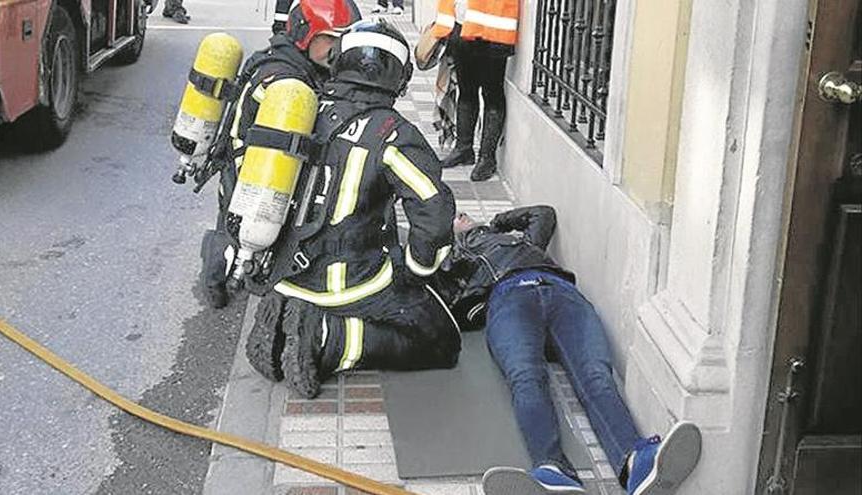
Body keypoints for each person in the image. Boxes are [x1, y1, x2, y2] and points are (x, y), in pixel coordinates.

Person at [264, 19, 461, 399]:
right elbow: (434, 217)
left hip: (285, 269)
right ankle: (326, 338)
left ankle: (289, 315)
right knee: (440, 339)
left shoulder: (304, 109)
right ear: (396, 78)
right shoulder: (393, 133)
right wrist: (417, 268)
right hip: (344, 283)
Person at [443, 206, 703, 495]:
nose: (462, 215)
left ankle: (637, 463)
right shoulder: (457, 260)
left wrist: (498, 222)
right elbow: (444, 302)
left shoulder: (523, 243)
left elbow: (544, 214)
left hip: (561, 292)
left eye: (462, 212)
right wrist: (449, 249)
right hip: (508, 298)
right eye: (455, 217)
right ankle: (553, 470)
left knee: (595, 375)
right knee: (526, 376)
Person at [199, 0, 361, 310]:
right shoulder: (282, 79)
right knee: (237, 236)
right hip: (247, 170)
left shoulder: (299, 65)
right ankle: (214, 263)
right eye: (330, 38)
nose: (338, 48)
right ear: (304, 34)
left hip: (265, 165)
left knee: (255, 234)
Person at [431, 0, 517, 181]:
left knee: (491, 93)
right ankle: (464, 148)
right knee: (466, 90)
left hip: (493, 29)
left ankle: (487, 157)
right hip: (462, 24)